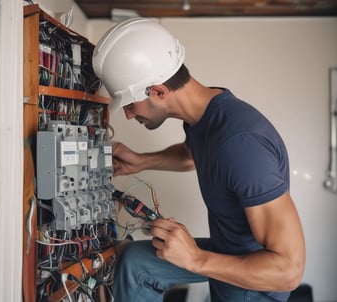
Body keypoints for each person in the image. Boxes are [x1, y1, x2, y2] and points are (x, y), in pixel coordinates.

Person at [93, 17, 305, 302]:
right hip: (227, 250)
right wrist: (142, 160)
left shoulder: (241, 146)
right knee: (136, 262)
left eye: (130, 104)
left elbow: (288, 271)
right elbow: (192, 155)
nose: (129, 115)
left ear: (158, 91)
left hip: (254, 288)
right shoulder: (206, 118)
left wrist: (194, 258)